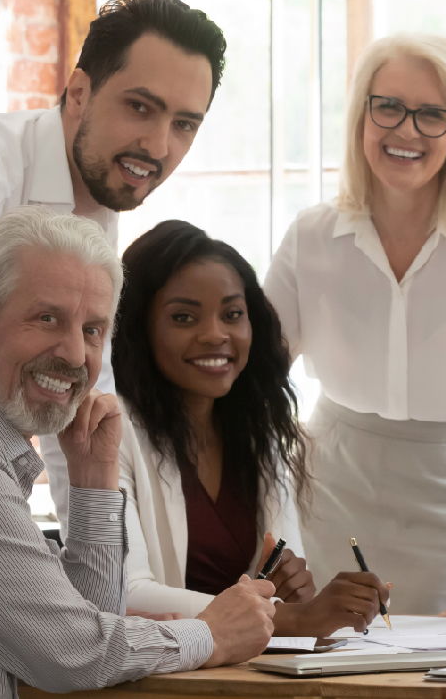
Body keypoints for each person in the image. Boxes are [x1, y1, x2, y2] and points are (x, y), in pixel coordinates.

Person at [0, 207, 276, 699]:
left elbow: (89, 627)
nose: (73, 353)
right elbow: (73, 655)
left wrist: (93, 480)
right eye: (48, 318)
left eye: (92, 330)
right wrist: (212, 633)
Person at [0, 0, 227, 529]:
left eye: (184, 124)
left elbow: (81, 411)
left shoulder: (97, 207)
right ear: (79, 92)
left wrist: (117, 581)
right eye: (140, 106)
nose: (157, 145)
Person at [264, 33, 446, 617]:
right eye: (387, 106)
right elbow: (251, 388)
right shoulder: (310, 236)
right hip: (328, 490)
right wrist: (270, 517)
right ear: (361, 115)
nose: (406, 131)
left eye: (432, 115)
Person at [114, 220, 389, 635]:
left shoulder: (259, 430)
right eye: (184, 317)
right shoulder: (111, 427)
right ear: (139, 327)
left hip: (245, 671)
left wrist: (295, 592)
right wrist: (290, 617)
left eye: (232, 314)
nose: (215, 334)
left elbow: (285, 583)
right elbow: (125, 593)